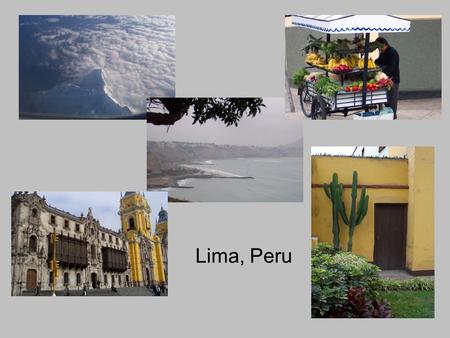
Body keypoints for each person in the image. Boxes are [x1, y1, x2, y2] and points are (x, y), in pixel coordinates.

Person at [374, 37, 400, 119]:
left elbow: (392, 67)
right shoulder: (383, 52)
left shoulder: (392, 52)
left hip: (393, 79)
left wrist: (382, 74)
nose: (379, 49)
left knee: (392, 98)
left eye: (380, 47)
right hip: (385, 79)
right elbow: (378, 61)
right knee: (386, 98)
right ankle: (387, 114)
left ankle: (393, 115)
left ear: (385, 44)